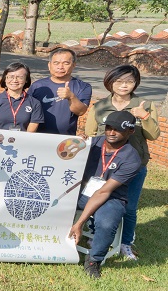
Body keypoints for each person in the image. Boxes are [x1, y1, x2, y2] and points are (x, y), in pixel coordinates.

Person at [84, 65, 160, 260]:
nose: (124, 85)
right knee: (97, 199)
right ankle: (96, 234)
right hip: (104, 165)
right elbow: (90, 133)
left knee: (130, 207)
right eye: (119, 81)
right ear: (110, 83)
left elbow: (153, 135)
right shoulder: (100, 106)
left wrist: (144, 116)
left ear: (136, 83)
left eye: (129, 81)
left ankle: (126, 242)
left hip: (133, 166)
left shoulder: (145, 105)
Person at [70, 111, 143, 279]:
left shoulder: (131, 159)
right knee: (57, 204)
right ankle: (50, 242)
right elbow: (64, 156)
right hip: (83, 191)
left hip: (111, 197)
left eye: (118, 130)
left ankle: (93, 260)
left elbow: (104, 191)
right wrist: (74, 142)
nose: (111, 132)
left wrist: (80, 223)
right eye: (109, 128)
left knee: (107, 223)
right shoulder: (92, 144)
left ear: (130, 132)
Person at [29, 48, 92, 135]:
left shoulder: (82, 86)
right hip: (38, 136)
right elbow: (27, 111)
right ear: (49, 65)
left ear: (74, 65)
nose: (60, 67)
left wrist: (71, 97)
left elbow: (81, 111)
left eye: (66, 63)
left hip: (65, 139)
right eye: (56, 63)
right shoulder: (37, 86)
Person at [0, 62, 43, 132]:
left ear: (26, 80)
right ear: (5, 78)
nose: (14, 80)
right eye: (11, 77)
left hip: (23, 141)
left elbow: (30, 133)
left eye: (20, 77)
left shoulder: (35, 103)